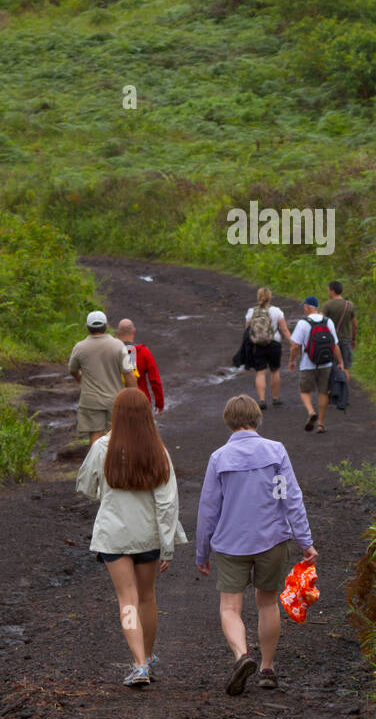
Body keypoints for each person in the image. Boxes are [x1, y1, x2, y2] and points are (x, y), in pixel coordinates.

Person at [196, 395, 316, 695]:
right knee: (267, 602)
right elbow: (291, 498)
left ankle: (241, 656)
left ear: (228, 421)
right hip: (271, 540)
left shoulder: (219, 458)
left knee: (230, 607)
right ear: (256, 418)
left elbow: (209, 508)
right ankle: (267, 667)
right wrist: (305, 541)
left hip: (230, 543)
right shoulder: (275, 452)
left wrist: (202, 551)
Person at [76, 388, 186, 687]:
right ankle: (147, 659)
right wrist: (168, 546)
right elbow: (167, 503)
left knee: (127, 600)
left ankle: (138, 663)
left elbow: (86, 486)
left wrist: (106, 494)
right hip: (148, 536)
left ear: (117, 414)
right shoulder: (157, 450)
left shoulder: (102, 447)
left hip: (114, 535)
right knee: (147, 597)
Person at [69, 310, 137, 445]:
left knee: (95, 435)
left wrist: (79, 377)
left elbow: (72, 369)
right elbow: (128, 374)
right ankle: (115, 464)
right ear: (106, 326)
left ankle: (96, 465)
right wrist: (135, 396)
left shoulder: (80, 347)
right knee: (117, 434)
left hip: (91, 399)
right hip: (115, 399)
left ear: (87, 327)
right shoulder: (117, 345)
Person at [288, 297, 349, 433]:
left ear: (308, 307)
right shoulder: (328, 322)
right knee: (323, 392)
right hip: (326, 363)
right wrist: (341, 362)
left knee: (304, 391)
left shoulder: (303, 323)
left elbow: (295, 346)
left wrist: (291, 360)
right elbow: (334, 345)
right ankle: (321, 424)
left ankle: (311, 412)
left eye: (304, 306)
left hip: (307, 363)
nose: (304, 308)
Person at [244, 287, 293, 409]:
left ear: (258, 297)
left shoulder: (251, 312)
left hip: (258, 345)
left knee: (260, 372)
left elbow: (247, 331)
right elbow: (285, 330)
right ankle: (275, 398)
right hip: (274, 343)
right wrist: (293, 343)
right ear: (270, 298)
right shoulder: (277, 311)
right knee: (275, 370)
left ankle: (262, 400)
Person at [116, 319, 165, 414]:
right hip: (141, 401)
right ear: (134, 331)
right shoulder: (143, 352)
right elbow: (155, 380)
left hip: (119, 402)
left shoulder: (113, 352)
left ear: (118, 332)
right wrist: (160, 403)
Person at [323, 281, 358, 370]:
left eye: (329, 290)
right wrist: (353, 339)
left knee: (332, 369)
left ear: (333, 291)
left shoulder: (327, 305)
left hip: (332, 341)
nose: (328, 292)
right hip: (346, 340)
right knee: (345, 368)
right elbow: (355, 325)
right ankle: (345, 383)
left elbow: (322, 322)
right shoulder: (350, 305)